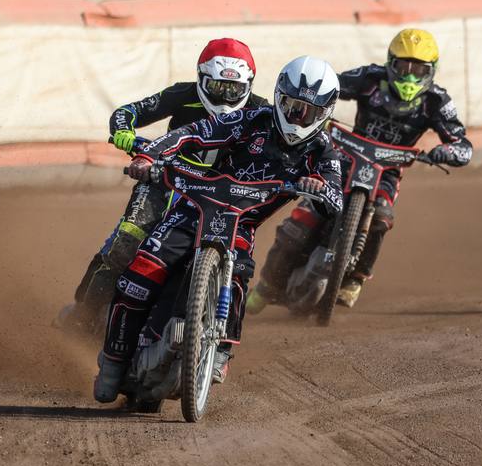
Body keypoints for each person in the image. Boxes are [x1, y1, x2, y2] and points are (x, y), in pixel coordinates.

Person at [94, 56, 344, 403]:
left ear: (325, 112)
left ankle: (222, 351)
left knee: (238, 276)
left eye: (309, 112)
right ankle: (112, 361)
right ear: (277, 96)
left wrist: (321, 189)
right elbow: (192, 133)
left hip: (240, 225)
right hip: (192, 209)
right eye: (291, 106)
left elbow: (336, 197)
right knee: (138, 276)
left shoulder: (323, 150)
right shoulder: (249, 119)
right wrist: (149, 156)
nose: (297, 117)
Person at [247, 28, 473, 313]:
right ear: (390, 63)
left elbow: (463, 144)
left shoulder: (437, 101)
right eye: (403, 67)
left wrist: (447, 151)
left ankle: (356, 279)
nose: (409, 77)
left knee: (381, 217)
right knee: (301, 221)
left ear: (432, 71)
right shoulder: (370, 78)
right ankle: (266, 287)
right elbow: (330, 86)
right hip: (343, 159)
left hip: (388, 171)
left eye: (419, 70)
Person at [60, 38, 268, 329]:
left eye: (233, 89)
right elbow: (126, 112)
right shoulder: (181, 94)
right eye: (217, 87)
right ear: (201, 79)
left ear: (249, 85)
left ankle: (214, 332)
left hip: (219, 195)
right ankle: (84, 311)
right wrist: (124, 133)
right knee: (127, 242)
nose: (225, 97)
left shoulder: (261, 110)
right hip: (163, 181)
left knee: (237, 258)